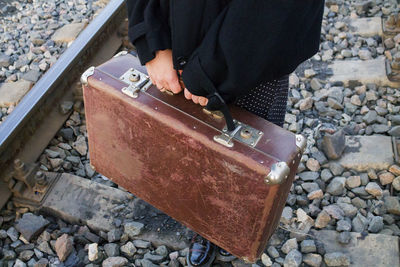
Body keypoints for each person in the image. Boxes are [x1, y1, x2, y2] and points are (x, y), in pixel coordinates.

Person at [126, 0, 324, 266]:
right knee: (188, 145)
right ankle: (204, 216)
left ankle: (231, 218)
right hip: (174, 40)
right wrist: (152, 40)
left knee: (246, 155)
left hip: (253, 54)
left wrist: (208, 72)